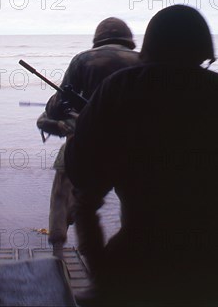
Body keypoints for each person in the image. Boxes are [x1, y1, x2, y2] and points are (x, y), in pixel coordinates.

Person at [66, 5, 218, 305]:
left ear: (147, 51)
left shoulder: (118, 89)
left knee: (83, 204)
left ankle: (101, 286)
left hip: (140, 257)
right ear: (204, 53)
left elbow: (80, 172)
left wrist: (105, 276)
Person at [42, 17, 140, 258]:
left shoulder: (83, 60)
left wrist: (58, 112)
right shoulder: (143, 61)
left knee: (74, 201)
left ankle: (62, 251)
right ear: (128, 39)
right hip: (135, 148)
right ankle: (129, 263)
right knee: (134, 208)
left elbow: (57, 106)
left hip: (89, 146)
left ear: (98, 39)